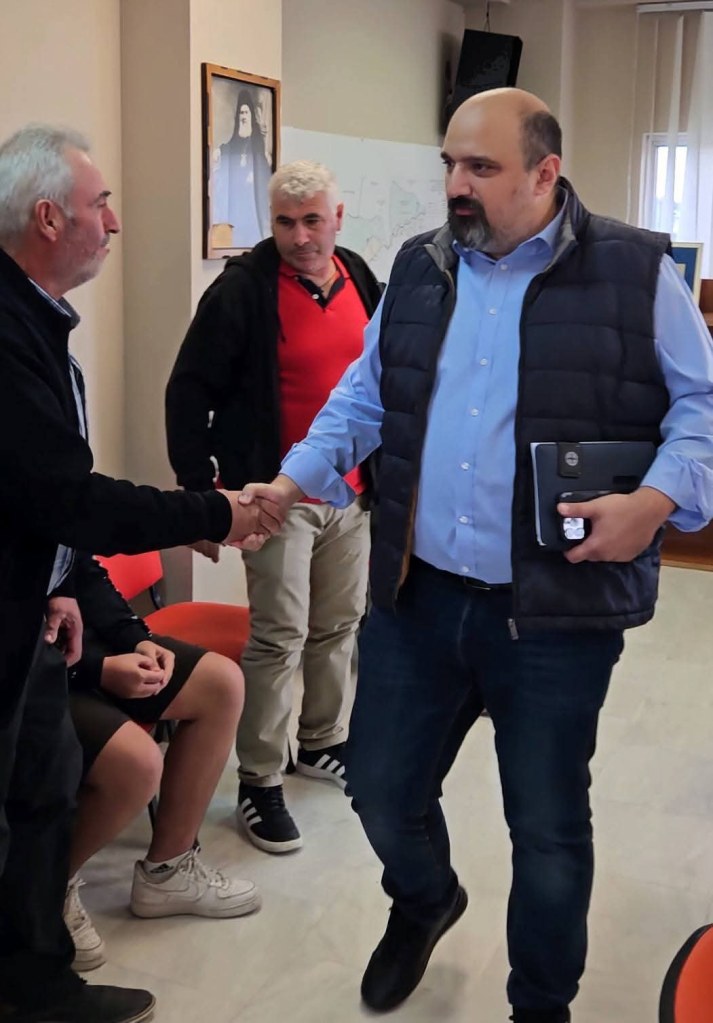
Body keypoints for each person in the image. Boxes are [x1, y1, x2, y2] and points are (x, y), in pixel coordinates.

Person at [238, 89, 713, 1022]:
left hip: (553, 615)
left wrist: (655, 502)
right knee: (380, 789)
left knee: (545, 827)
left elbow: (701, 404)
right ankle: (424, 898)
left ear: (545, 172)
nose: (456, 184)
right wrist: (290, 485)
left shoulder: (634, 270)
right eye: (450, 164)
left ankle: (539, 1004)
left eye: (481, 167)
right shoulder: (419, 268)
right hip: (417, 598)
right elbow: (363, 398)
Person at [0, 124, 282, 1023]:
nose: (114, 223)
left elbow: (33, 504)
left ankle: (39, 986)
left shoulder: (39, 320)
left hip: (39, 615)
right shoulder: (8, 331)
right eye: (101, 204)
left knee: (41, 796)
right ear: (49, 218)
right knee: (26, 803)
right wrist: (211, 510)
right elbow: (68, 498)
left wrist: (58, 586)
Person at [166, 160, 382, 854]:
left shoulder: (357, 275)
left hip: (351, 492)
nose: (299, 236)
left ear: (337, 218)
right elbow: (187, 389)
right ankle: (259, 777)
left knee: (338, 624)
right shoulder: (242, 290)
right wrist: (201, 492)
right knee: (278, 635)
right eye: (285, 222)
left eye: (312, 220)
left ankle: (320, 741)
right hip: (273, 496)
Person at [62, 552, 259, 972]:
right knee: (137, 765)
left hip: (79, 651)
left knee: (221, 684)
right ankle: (42, 892)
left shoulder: (55, 514)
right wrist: (96, 671)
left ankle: (168, 873)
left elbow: (83, 572)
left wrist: (137, 639)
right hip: (31, 670)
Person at [212, 87, 271, 248]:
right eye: (241, 113)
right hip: (236, 208)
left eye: (246, 113)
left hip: (252, 210)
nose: (243, 117)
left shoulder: (260, 149)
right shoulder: (229, 148)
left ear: (251, 116)